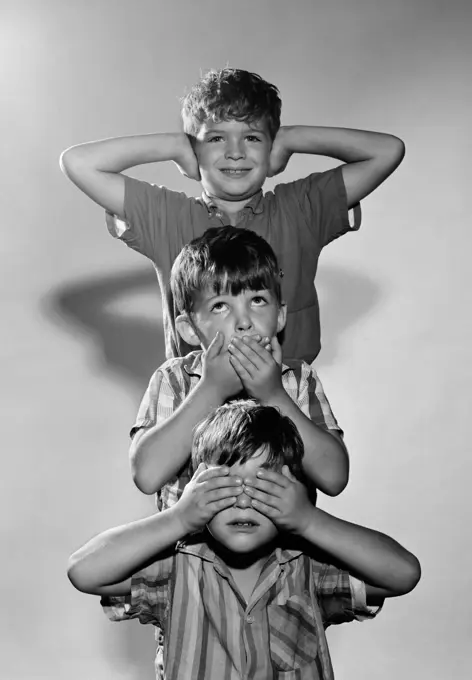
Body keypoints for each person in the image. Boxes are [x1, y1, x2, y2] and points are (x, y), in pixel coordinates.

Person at [60, 67, 405, 363]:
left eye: (252, 137)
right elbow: (79, 163)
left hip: (289, 399)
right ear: (195, 150)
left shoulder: (300, 208)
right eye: (216, 139)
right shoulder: (167, 216)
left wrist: (290, 138)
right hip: (196, 404)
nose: (236, 153)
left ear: (270, 150)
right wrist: (175, 146)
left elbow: (387, 151)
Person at [68, 400, 421, 680]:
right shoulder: (175, 568)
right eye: (225, 485)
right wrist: (177, 518)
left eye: (264, 487)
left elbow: (403, 573)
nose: (242, 500)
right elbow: (84, 571)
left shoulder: (310, 568)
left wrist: (309, 520)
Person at [129, 226, 349, 511]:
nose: (244, 321)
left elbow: (335, 478)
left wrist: (273, 395)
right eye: (220, 306)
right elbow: (147, 476)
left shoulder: (297, 379)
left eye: (257, 300)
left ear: (280, 316)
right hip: (189, 550)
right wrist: (212, 389)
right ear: (189, 329)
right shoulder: (174, 379)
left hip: (284, 552)